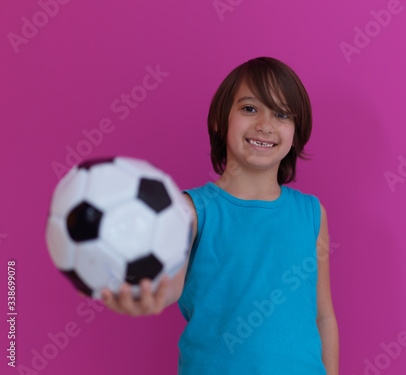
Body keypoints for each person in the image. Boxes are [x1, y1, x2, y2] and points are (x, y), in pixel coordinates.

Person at [101, 57, 339, 374]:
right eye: (250, 109)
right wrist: (148, 295)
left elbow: (323, 314)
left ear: (296, 133)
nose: (265, 124)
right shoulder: (191, 210)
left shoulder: (312, 213)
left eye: (281, 114)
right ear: (219, 121)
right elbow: (172, 286)